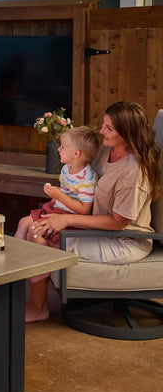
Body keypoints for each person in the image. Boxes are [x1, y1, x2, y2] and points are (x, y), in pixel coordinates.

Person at [25, 101, 161, 323]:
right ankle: (31, 302)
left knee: (37, 236)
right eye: (103, 125)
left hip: (124, 241)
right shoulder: (107, 150)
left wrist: (66, 219)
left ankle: (38, 308)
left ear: (127, 133)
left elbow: (119, 223)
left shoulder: (132, 172)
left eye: (109, 128)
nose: (101, 131)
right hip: (95, 227)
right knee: (29, 225)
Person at [15, 126, 100, 247]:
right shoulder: (66, 168)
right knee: (23, 223)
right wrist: (54, 196)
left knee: (33, 233)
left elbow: (84, 210)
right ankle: (15, 256)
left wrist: (59, 196)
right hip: (55, 208)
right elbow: (64, 190)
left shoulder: (88, 179)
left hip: (69, 217)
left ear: (76, 153)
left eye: (63, 147)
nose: (59, 149)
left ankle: (40, 260)